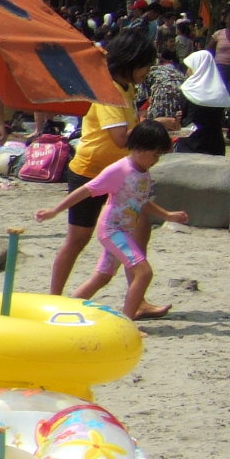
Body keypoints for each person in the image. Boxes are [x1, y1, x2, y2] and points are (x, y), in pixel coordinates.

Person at [37, 120, 188, 319]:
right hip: (112, 231)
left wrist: (167, 215)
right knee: (144, 272)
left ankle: (62, 310)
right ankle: (127, 321)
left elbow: (140, 200)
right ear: (139, 148)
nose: (156, 160)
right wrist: (55, 210)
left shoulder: (143, 172)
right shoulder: (120, 169)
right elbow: (86, 190)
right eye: (155, 154)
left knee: (102, 277)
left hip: (124, 232)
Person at [49, 29, 152, 295]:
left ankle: (137, 298)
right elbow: (120, 138)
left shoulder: (127, 88)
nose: (147, 71)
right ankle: (54, 298)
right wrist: (155, 125)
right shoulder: (108, 91)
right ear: (129, 62)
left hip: (121, 176)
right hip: (91, 173)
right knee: (78, 239)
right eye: (145, 65)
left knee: (139, 232)